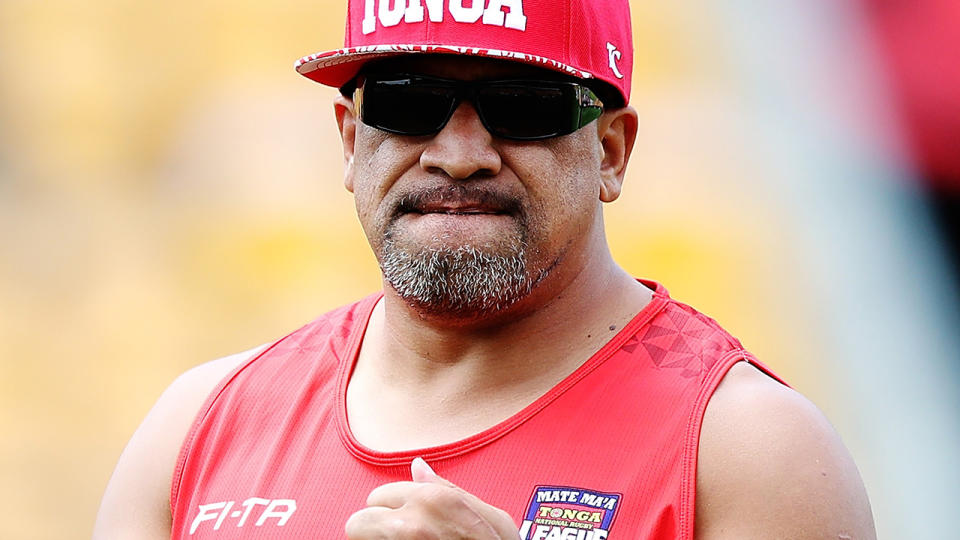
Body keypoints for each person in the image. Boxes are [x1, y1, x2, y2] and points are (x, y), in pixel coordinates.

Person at [94, 0, 876, 538]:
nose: (458, 156)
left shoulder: (743, 452)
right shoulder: (195, 430)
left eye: (523, 106)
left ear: (610, 151)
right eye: (406, 101)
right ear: (347, 140)